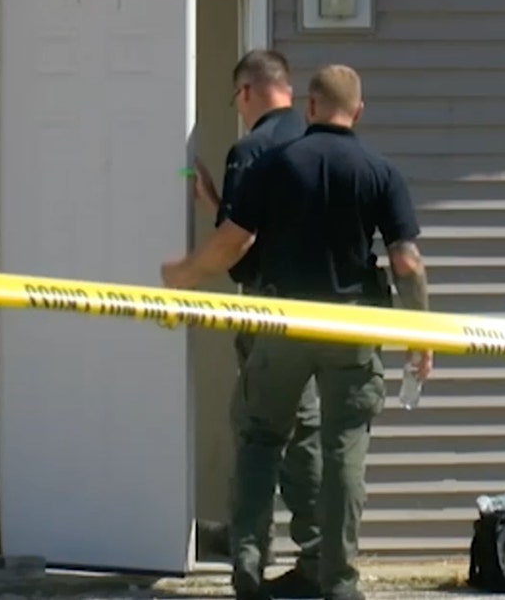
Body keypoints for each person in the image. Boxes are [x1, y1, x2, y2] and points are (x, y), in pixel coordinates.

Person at [162, 64, 433, 600]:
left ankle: (246, 564)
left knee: (262, 438)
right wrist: (421, 335)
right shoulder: (380, 173)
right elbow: (407, 263)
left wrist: (182, 277)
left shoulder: (277, 166)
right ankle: (337, 580)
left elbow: (235, 244)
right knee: (343, 450)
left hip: (283, 324)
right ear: (357, 112)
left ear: (309, 108)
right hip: (352, 329)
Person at [191, 49, 322, 599]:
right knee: (310, 439)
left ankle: (248, 566)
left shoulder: (251, 151)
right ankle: (321, 561)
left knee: (258, 437)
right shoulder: (322, 143)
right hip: (324, 317)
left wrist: (213, 216)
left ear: (247, 92)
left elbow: (242, 254)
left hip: (270, 315)